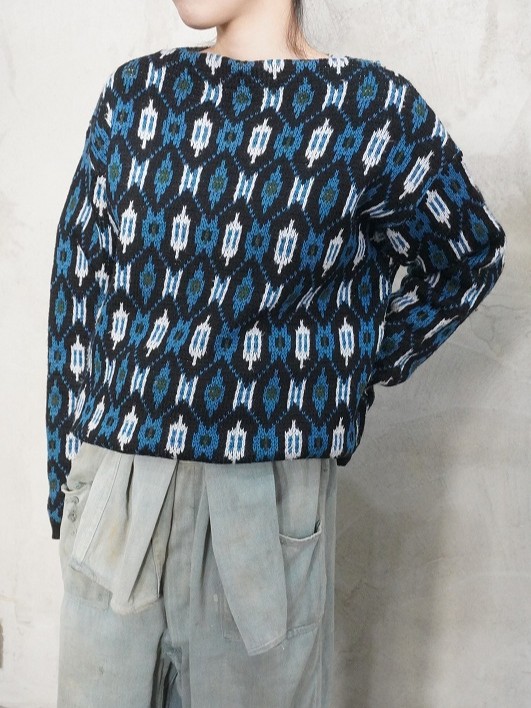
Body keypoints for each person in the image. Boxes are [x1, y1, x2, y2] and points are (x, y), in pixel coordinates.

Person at [45, 0, 507, 706]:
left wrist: (344, 370)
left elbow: (467, 255)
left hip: (262, 505)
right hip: (118, 492)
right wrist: (69, 489)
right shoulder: (135, 95)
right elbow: (80, 290)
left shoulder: (368, 111)